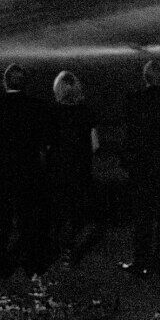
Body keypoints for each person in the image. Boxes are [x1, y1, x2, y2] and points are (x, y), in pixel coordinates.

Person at [0, 63, 49, 277]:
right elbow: (43, 141)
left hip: (1, 171)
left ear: (5, 82)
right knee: (28, 218)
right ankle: (32, 262)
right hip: (27, 170)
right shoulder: (36, 106)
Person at [45, 70, 100, 265]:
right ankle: (72, 252)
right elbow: (95, 145)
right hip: (80, 170)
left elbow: (46, 144)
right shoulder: (86, 112)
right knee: (78, 213)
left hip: (58, 170)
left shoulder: (52, 113)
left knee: (57, 213)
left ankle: (54, 250)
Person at [120, 58, 160, 277]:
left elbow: (130, 135)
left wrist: (127, 161)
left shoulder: (135, 100)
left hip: (142, 166)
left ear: (145, 78)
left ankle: (141, 262)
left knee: (143, 217)